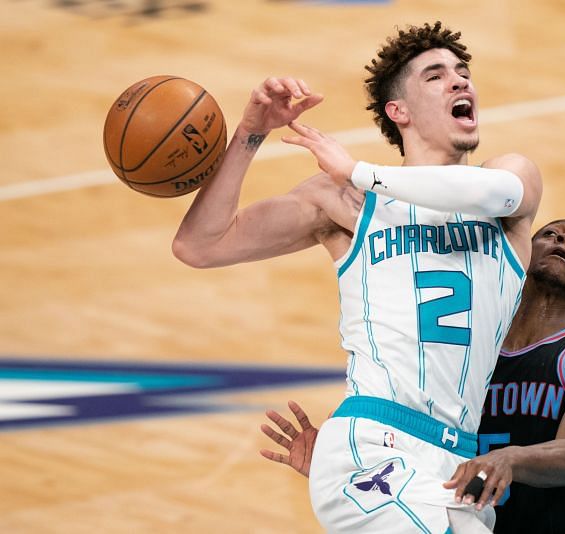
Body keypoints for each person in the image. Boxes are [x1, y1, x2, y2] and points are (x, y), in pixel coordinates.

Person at [173, 21, 542, 533]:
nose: (460, 82)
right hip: (372, 444)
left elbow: (489, 191)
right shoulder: (348, 205)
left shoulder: (507, 183)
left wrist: (360, 170)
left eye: (462, 72)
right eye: (436, 77)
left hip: (457, 466)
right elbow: (199, 244)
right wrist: (251, 132)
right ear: (400, 112)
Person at [261, 219, 565, 534]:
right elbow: (419, 438)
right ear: (522, 255)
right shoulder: (466, 347)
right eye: (551, 235)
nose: (564, 241)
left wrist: (508, 459)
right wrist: (344, 464)